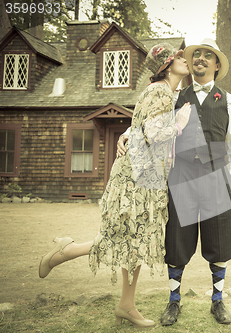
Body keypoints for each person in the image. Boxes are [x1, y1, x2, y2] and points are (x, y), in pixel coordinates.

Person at [38, 43, 192, 328]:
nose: (184, 59)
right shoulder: (159, 91)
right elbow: (152, 133)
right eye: (178, 57)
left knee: (134, 241)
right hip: (137, 177)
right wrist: (179, 124)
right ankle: (68, 251)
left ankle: (125, 303)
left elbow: (139, 126)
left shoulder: (165, 93)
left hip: (147, 176)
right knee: (128, 239)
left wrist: (127, 133)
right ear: (167, 65)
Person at [117, 38, 231, 326]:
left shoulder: (228, 101)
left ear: (216, 65)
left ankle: (217, 301)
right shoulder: (176, 97)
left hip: (218, 177)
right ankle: (174, 301)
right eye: (196, 55)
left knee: (220, 242)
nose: (200, 59)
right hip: (182, 176)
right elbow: (152, 121)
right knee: (176, 241)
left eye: (207, 56)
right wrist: (127, 133)